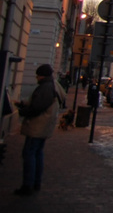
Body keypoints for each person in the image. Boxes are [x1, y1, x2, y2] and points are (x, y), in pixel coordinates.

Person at [13, 63, 66, 196]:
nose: (36, 77)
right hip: (45, 126)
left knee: (29, 154)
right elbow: (38, 102)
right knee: (37, 153)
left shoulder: (46, 87)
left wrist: (23, 111)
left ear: (42, 75)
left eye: (38, 75)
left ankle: (28, 185)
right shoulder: (53, 85)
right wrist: (24, 103)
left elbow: (37, 107)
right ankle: (35, 182)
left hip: (38, 126)